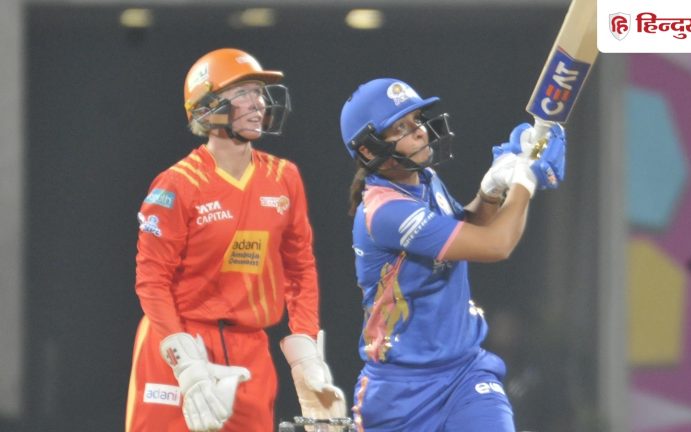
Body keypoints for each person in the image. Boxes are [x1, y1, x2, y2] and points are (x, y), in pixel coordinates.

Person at [125, 48, 346, 432]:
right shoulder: (177, 184)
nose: (258, 102)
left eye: (259, 92)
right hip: (179, 342)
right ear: (206, 105)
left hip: (251, 349)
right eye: (243, 92)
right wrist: (185, 363)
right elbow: (151, 281)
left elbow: (300, 269)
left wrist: (306, 353)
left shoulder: (284, 177)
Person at [338, 78, 567, 432]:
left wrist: (491, 191)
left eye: (416, 120)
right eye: (400, 128)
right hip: (400, 391)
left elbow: (462, 232)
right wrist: (526, 180)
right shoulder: (385, 212)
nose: (419, 131)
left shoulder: (425, 179)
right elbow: (496, 245)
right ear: (369, 150)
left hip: (466, 372)